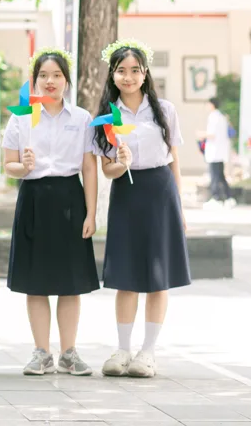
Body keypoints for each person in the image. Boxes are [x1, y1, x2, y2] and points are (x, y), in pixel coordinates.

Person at [95, 39, 190, 379]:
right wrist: (121, 163)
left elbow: (174, 160)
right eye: (122, 70)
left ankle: (147, 352)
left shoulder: (164, 110)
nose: (129, 77)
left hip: (160, 192)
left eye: (135, 70)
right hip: (126, 192)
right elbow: (107, 170)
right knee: (126, 275)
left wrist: (180, 208)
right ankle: (123, 349)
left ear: (145, 73)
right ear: (112, 74)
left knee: (158, 276)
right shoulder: (108, 117)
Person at [3, 49, 99, 377]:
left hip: (70, 197)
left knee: (71, 282)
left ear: (66, 81)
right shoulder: (21, 118)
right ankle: (41, 352)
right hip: (33, 198)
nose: (50, 81)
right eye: (43, 75)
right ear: (34, 81)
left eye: (57, 75)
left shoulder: (81, 118)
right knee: (36, 282)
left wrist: (91, 213)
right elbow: (9, 164)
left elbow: (89, 167)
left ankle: (69, 353)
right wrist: (23, 166)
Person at [200, 97, 235, 209]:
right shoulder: (222, 116)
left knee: (215, 176)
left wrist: (201, 135)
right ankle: (229, 198)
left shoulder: (213, 117)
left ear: (212, 105)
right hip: (221, 151)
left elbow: (212, 134)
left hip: (214, 152)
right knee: (220, 176)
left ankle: (216, 198)